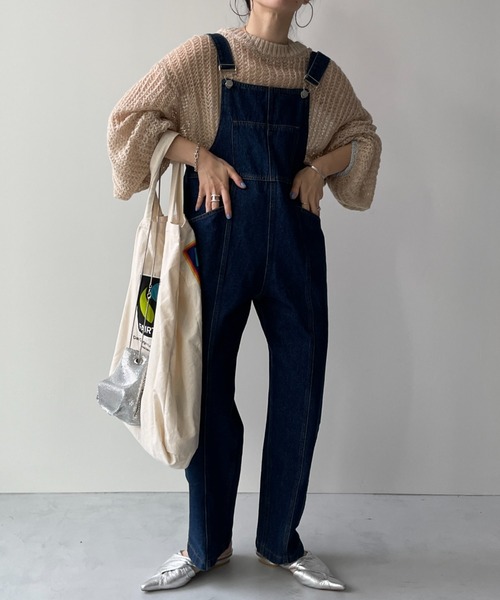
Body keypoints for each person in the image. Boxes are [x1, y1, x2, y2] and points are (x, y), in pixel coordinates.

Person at [108, 0, 381, 592]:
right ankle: (206, 546)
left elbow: (363, 137)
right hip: (217, 244)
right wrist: (199, 156)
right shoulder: (207, 58)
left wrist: (319, 168)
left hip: (295, 251)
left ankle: (281, 542)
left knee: (300, 390)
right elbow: (130, 119)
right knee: (205, 391)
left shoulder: (319, 75)